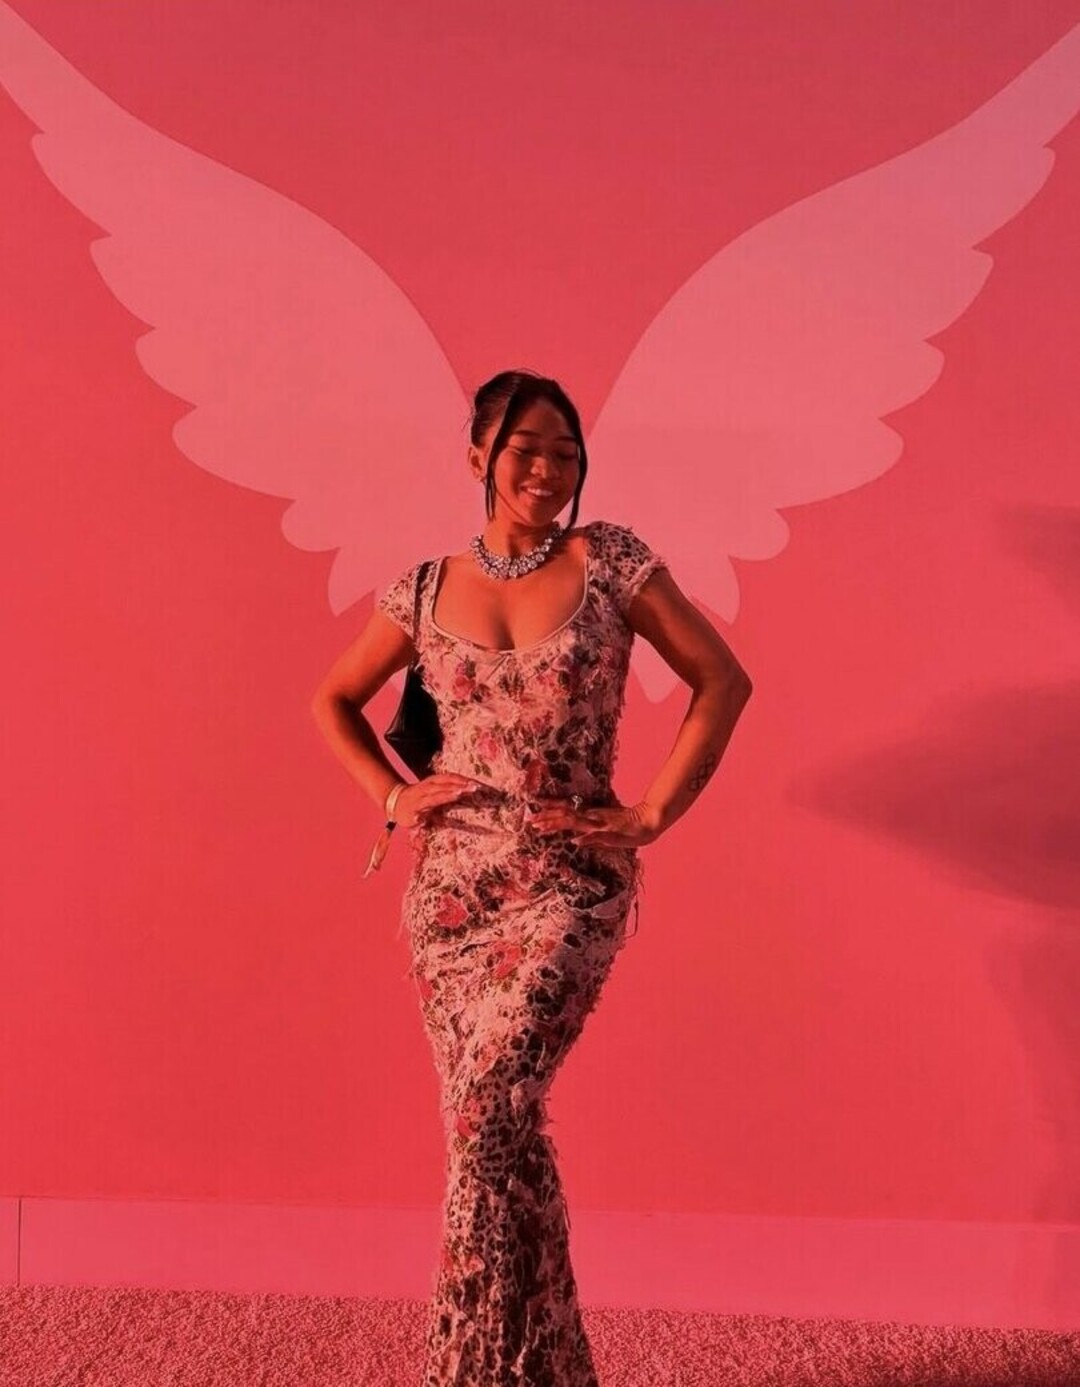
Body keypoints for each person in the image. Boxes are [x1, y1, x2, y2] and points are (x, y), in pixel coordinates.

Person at [310, 369, 752, 1386]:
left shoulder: (612, 562)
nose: (547, 470)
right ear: (479, 455)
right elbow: (332, 698)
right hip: (451, 901)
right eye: (525, 449)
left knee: (485, 1116)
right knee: (504, 1137)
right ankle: (548, 1369)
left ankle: (460, 1369)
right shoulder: (422, 590)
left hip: (567, 886)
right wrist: (393, 794)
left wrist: (649, 816)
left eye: (565, 451)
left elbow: (723, 680)